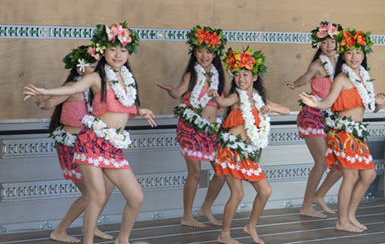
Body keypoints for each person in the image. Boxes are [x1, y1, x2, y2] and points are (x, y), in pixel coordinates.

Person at [24, 22, 156, 244]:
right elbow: (73, 88)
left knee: (136, 197)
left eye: (123, 50)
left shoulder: (127, 79)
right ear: (103, 52)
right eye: (112, 49)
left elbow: (121, 105)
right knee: (97, 195)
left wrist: (140, 110)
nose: (118, 54)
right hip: (92, 143)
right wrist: (46, 91)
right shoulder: (96, 77)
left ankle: (122, 240)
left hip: (113, 147)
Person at [300, 28, 385, 232]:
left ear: (364, 54)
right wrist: (315, 102)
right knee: (351, 176)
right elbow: (329, 101)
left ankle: (350, 216)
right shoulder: (341, 78)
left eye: (358, 52)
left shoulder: (364, 78)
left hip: (356, 133)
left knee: (369, 175)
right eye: (349, 52)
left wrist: (379, 104)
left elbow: (369, 108)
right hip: (342, 134)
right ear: (343, 56)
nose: (354, 56)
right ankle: (342, 221)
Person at [209, 47, 290, 244]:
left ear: (254, 77)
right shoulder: (237, 97)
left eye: (245, 74)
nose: (240, 78)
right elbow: (223, 100)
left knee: (265, 191)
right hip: (229, 150)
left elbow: (287, 110)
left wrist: (270, 108)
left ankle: (250, 226)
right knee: (237, 193)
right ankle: (224, 235)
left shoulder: (260, 100)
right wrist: (216, 96)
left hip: (246, 154)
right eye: (236, 74)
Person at [34, 46, 114, 242]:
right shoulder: (74, 86)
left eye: (97, 64)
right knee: (90, 194)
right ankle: (59, 231)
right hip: (71, 147)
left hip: (88, 146)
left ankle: (92, 225)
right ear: (80, 69)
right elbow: (51, 102)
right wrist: (43, 102)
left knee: (109, 185)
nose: (96, 68)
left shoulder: (95, 89)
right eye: (91, 65)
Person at [155, 25, 228, 227]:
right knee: (195, 173)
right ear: (194, 52)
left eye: (208, 51)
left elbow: (229, 100)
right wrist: (171, 91)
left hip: (212, 131)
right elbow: (178, 93)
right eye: (200, 50)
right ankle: (187, 216)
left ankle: (205, 208)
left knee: (222, 172)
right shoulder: (192, 75)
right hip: (191, 127)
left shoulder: (219, 77)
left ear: (215, 54)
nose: (204, 55)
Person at [281, 22, 343, 218]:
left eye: (332, 41)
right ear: (319, 45)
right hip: (313, 116)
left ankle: (318, 196)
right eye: (325, 42)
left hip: (331, 118)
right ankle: (306, 206)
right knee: (321, 162)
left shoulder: (343, 65)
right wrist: (295, 83)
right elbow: (305, 77)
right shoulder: (317, 64)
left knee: (339, 163)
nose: (329, 45)